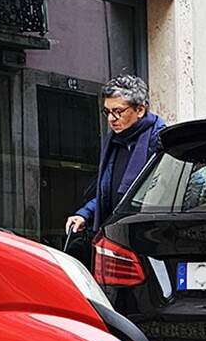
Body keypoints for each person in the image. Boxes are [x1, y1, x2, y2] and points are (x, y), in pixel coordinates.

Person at [64, 75, 166, 241]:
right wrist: (86, 214)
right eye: (107, 112)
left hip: (150, 237)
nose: (111, 119)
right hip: (116, 236)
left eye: (118, 112)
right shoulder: (114, 142)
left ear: (140, 110)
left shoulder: (161, 141)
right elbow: (110, 195)